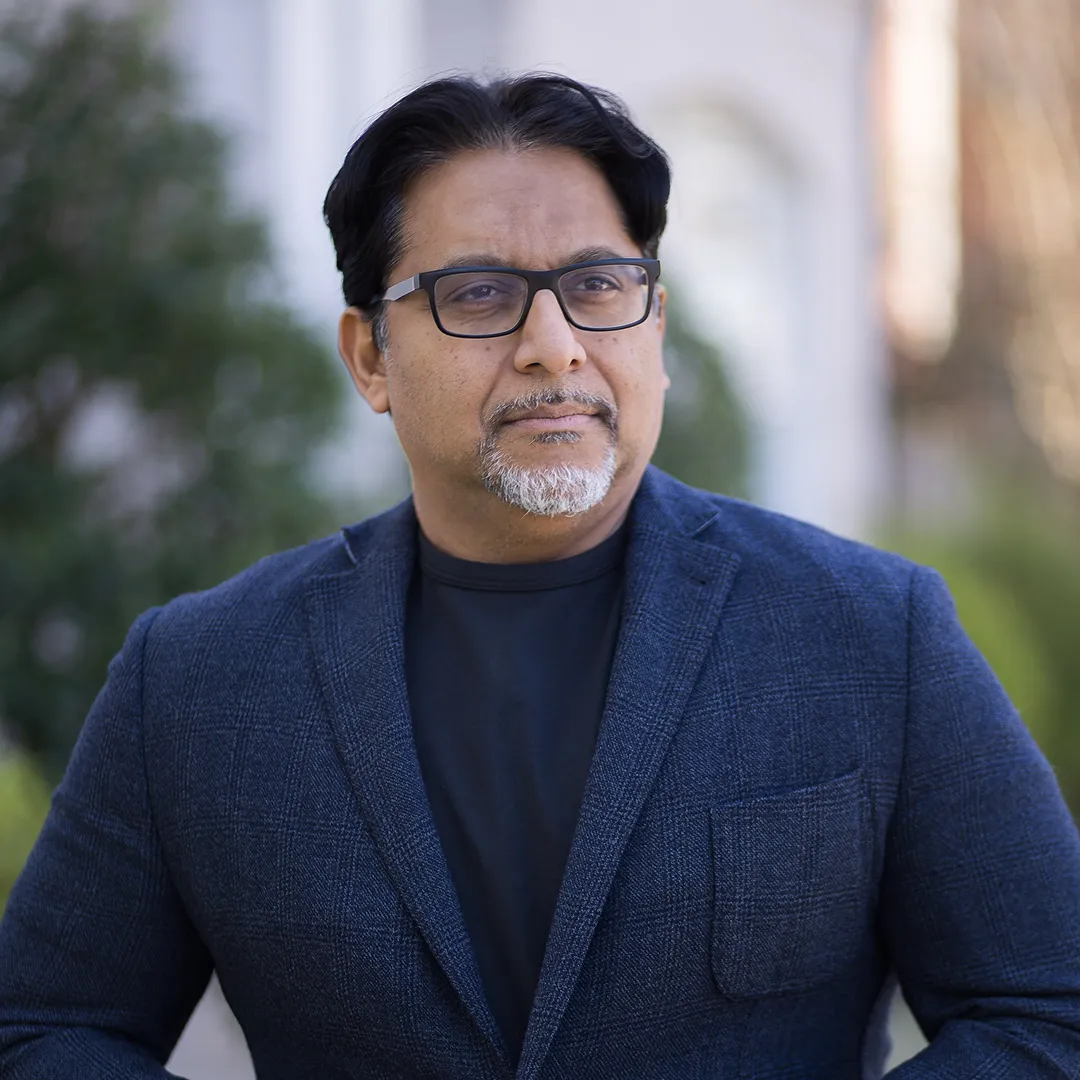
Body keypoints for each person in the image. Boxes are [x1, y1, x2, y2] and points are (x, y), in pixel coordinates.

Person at [1, 73, 1079, 1080]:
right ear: (370, 357)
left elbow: (1047, 1009)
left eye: (598, 285)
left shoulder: (871, 634)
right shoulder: (198, 679)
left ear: (655, 326)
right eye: (478, 295)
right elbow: (42, 1029)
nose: (554, 346)